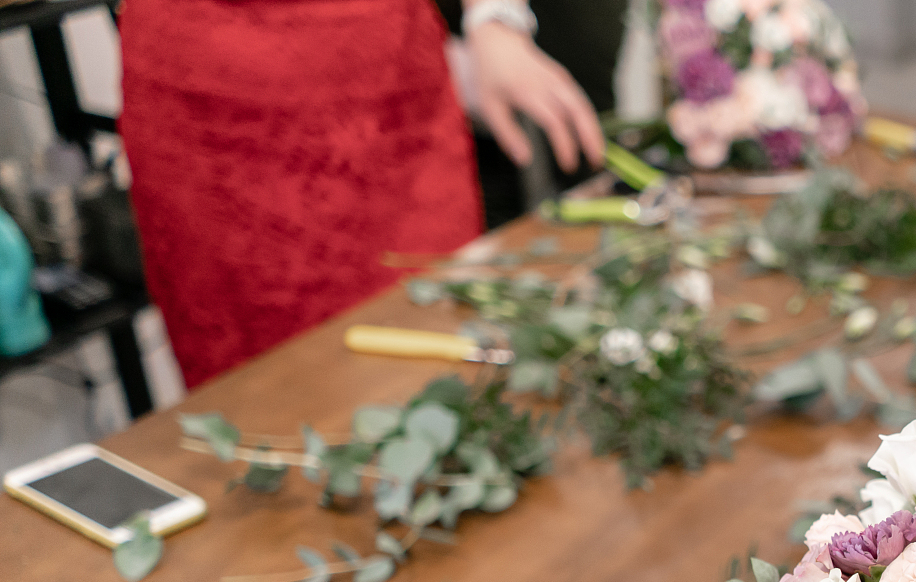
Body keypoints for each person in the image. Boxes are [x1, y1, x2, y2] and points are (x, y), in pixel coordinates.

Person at [120, 0, 606, 388]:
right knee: (247, 394)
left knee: (430, 359)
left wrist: (494, 17)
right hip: (197, 103)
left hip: (381, 95)